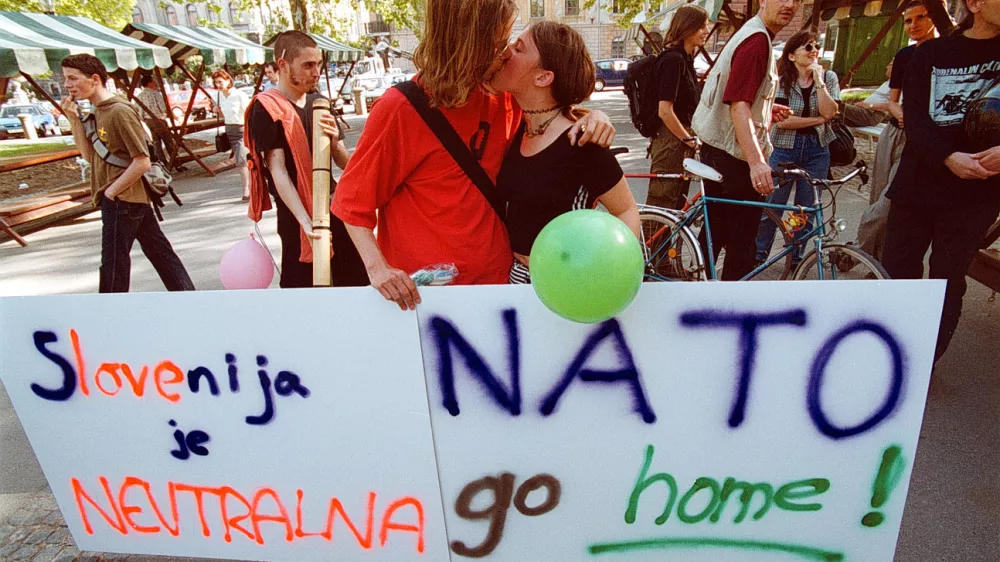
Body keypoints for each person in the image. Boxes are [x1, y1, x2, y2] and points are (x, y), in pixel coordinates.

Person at [331, 0, 616, 310]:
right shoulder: (400, 109)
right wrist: (377, 269)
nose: (506, 53)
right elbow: (351, 203)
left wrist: (592, 116)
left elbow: (549, 116)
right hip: (429, 299)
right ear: (470, 45)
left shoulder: (502, 97)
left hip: (500, 287)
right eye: (500, 42)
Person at [880, 0, 1000, 362]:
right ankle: (890, 354)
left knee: (947, 279)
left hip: (976, 192)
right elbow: (913, 117)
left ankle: (923, 363)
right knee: (898, 270)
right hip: (918, 183)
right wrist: (948, 157)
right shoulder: (933, 52)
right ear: (975, 4)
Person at [490, 22, 640, 284]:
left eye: (518, 48)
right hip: (517, 277)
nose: (506, 53)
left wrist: (608, 271)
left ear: (543, 77)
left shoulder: (583, 142)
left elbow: (626, 210)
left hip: (567, 281)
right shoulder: (518, 127)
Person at [59, 54, 195, 293]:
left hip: (122, 197)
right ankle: (188, 297)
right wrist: (73, 119)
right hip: (127, 196)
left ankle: (109, 314)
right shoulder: (98, 110)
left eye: (72, 78)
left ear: (94, 79)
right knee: (160, 254)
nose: (67, 85)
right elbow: (89, 155)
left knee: (114, 263)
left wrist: (111, 192)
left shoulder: (119, 111)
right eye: (65, 79)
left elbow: (142, 161)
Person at [245, 31, 368, 289]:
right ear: (283, 64)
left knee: (355, 281)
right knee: (302, 291)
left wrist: (334, 143)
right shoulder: (266, 107)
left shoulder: (320, 102)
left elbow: (347, 164)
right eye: (308, 65)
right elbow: (278, 170)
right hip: (295, 214)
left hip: (333, 206)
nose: (316, 72)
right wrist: (305, 221)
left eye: (318, 64)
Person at [690, 0, 798, 280]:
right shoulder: (756, 42)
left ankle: (701, 294)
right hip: (732, 156)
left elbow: (741, 100)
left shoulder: (753, 33)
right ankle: (728, 307)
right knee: (740, 244)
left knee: (717, 231)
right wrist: (757, 162)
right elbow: (738, 105)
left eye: (797, 0)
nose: (790, 5)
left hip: (720, 148)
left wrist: (766, 109)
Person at [849, 0, 938, 263]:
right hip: (894, 132)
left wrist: (915, 122)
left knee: (888, 204)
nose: (914, 25)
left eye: (920, 18)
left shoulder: (943, 54)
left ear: (933, 18)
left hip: (918, 139)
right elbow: (892, 101)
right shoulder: (904, 56)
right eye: (908, 21)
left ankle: (859, 252)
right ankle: (873, 258)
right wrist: (901, 114)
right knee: (878, 196)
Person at [754, 30, 840, 264]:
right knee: (773, 206)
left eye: (816, 46)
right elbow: (783, 121)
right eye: (808, 47)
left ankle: (795, 257)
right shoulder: (781, 80)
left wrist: (819, 82)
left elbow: (831, 111)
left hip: (817, 149)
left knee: (807, 209)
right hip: (784, 148)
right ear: (792, 56)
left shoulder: (828, 78)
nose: (814, 51)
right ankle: (758, 255)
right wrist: (819, 119)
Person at [646, 5, 711, 211]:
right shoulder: (673, 60)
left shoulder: (685, 58)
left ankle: (672, 245)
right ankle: (649, 245)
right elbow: (664, 110)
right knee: (663, 204)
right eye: (702, 27)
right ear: (687, 27)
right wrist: (689, 141)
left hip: (680, 138)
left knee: (677, 206)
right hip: (672, 139)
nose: (706, 32)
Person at [210, 69, 252, 201]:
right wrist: (216, 110)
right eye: (216, 82)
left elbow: (249, 112)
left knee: (241, 160)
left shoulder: (239, 95)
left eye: (220, 82)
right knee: (242, 161)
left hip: (242, 128)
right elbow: (225, 114)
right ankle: (250, 186)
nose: (218, 85)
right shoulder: (219, 96)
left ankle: (247, 190)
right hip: (230, 129)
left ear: (228, 81)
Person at [135, 74, 184, 172]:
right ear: (149, 83)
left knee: (156, 144)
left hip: (148, 121)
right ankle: (177, 164)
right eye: (153, 82)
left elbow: (138, 112)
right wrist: (175, 118)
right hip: (159, 120)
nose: (155, 84)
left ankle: (163, 166)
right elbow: (163, 109)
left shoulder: (139, 96)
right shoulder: (155, 94)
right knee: (169, 142)